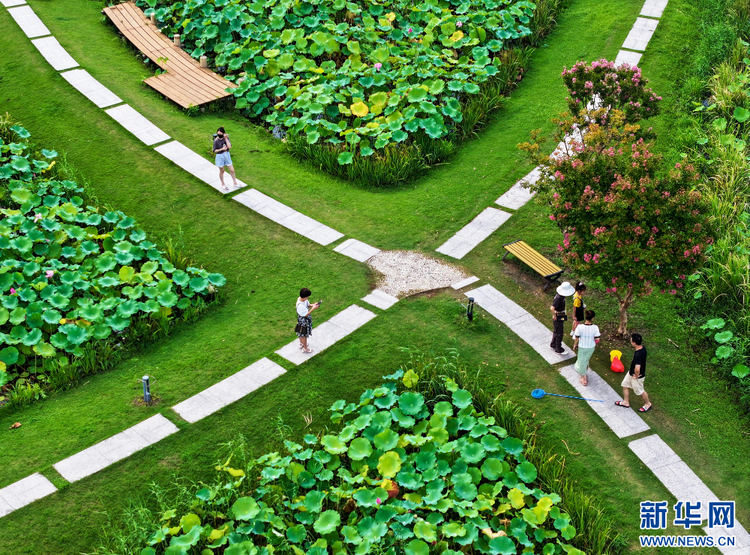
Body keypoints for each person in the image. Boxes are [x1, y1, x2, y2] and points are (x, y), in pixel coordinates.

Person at [615, 333, 652, 412]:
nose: (630, 340)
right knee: (625, 385)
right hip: (630, 373)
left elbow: (637, 368)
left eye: (631, 340)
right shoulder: (643, 348)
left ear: (634, 342)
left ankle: (648, 404)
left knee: (640, 391)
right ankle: (626, 402)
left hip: (637, 376)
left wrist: (636, 375)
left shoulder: (638, 354)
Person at [572, 309, 600, 386]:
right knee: (586, 360)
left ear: (585, 317)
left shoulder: (580, 327)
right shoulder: (595, 327)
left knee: (581, 362)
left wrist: (575, 345)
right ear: (593, 318)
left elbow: (576, 337)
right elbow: (597, 339)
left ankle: (584, 379)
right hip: (591, 347)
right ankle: (584, 373)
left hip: (582, 347)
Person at [550, 281, 575, 353]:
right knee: (559, 332)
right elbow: (552, 308)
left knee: (557, 330)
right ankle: (558, 348)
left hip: (562, 314)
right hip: (558, 315)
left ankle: (553, 343)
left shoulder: (561, 296)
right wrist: (554, 315)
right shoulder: (559, 298)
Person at [213, 126, 238, 191]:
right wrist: (221, 149)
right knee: (222, 171)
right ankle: (223, 184)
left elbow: (229, 146)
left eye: (221, 134)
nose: (219, 135)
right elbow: (214, 151)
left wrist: (226, 139)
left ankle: (235, 183)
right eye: (218, 134)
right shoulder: (216, 141)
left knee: (232, 170)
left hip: (226, 155)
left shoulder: (226, 138)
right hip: (220, 156)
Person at [296, 288, 320, 354]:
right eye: (307, 297)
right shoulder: (300, 305)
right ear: (304, 297)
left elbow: (308, 305)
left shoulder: (303, 300)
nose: (308, 297)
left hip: (303, 319)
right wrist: (313, 309)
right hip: (304, 320)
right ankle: (305, 348)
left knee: (300, 332)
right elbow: (306, 314)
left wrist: (313, 305)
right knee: (304, 334)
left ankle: (301, 343)